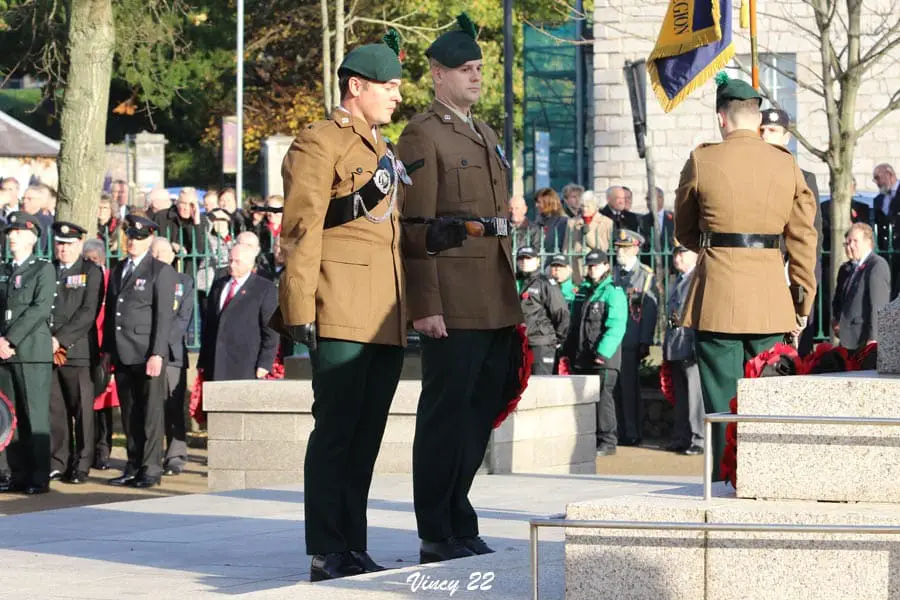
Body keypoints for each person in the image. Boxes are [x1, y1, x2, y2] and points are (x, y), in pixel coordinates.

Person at [275, 31, 464, 582]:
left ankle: (351, 545)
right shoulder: (320, 141)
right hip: (336, 304)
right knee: (336, 430)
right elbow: (302, 228)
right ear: (355, 87)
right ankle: (326, 547)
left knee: (366, 434)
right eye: (389, 85)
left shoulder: (383, 150)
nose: (398, 95)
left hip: (382, 310)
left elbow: (391, 234)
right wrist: (298, 307)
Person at [397, 12, 524, 564]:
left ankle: (459, 514)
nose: (475, 77)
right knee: (446, 411)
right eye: (464, 69)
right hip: (452, 299)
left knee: (481, 407)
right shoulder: (422, 134)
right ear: (436, 74)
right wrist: (425, 304)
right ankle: (435, 528)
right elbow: (415, 228)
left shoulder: (485, 132)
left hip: (493, 293)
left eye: (478, 67)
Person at [674, 72, 817, 481]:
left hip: (717, 295)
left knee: (721, 404)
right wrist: (801, 300)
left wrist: (713, 242)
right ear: (757, 120)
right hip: (771, 299)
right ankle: (767, 479)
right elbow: (804, 240)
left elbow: (683, 230)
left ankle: (724, 483)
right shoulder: (786, 164)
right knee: (767, 400)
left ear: (722, 118)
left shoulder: (702, 159)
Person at [103, 215, 177, 489]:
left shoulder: (159, 270)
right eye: (129, 236)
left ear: (149, 239)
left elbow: (163, 317)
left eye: (139, 237)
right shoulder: (120, 268)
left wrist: (157, 353)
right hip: (123, 353)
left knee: (150, 414)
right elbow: (113, 312)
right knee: (130, 413)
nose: (132, 241)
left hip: (147, 353)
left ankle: (151, 467)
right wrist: (108, 351)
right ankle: (132, 465)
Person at [0, 212, 55, 494]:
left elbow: (39, 309)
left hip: (30, 351)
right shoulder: (6, 270)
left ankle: (38, 476)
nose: (11, 236)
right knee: (11, 417)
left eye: (17, 232)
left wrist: (9, 338)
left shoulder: (42, 269)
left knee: (34, 416)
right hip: (5, 355)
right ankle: (17, 474)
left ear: (32, 237)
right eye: (10, 232)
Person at [760, 108, 822, 355]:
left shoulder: (804, 179)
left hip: (786, 282)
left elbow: (808, 243)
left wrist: (802, 305)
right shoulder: (749, 177)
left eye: (773, 131)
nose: (765, 135)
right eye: (761, 130)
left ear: (787, 137)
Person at [48, 222, 104, 484]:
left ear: (80, 245)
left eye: (69, 244)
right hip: (48, 350)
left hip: (77, 350)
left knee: (81, 410)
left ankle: (82, 463)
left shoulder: (90, 272)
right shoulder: (48, 269)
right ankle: (58, 461)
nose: (63, 249)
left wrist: (60, 340)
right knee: (55, 410)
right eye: (60, 243)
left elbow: (87, 313)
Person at [562, 249, 627, 456]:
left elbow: (616, 325)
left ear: (606, 266)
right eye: (589, 265)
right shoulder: (583, 290)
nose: (592, 269)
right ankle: (589, 439)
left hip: (603, 359)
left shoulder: (613, 291)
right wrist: (569, 352)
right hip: (583, 356)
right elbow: (574, 324)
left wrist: (603, 352)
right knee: (584, 400)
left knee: (603, 398)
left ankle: (607, 441)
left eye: (596, 265)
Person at [198, 244, 278, 381]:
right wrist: (203, 359)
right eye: (230, 260)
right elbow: (209, 325)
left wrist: (265, 363)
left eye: (237, 261)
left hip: (245, 364)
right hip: (216, 363)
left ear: (249, 263)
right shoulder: (219, 284)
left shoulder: (264, 288)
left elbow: (270, 330)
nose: (232, 265)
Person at [149, 238, 194, 476]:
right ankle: (151, 456)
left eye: (163, 253)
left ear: (172, 256)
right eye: (154, 253)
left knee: (173, 406)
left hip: (172, 354)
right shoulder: (144, 280)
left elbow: (182, 319)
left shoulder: (184, 282)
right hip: (146, 354)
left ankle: (175, 455)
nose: (158, 257)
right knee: (150, 407)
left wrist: (160, 347)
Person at [612, 229, 657, 446]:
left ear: (635, 249)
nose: (620, 252)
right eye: (619, 248)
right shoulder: (614, 273)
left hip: (631, 340)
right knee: (614, 389)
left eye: (625, 248)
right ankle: (617, 431)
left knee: (629, 389)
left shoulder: (645, 275)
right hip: (612, 340)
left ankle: (632, 432)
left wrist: (645, 341)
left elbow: (649, 311)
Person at [663, 246, 704, 456]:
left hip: (689, 344)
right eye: (675, 254)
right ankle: (682, 436)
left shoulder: (697, 279)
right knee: (680, 395)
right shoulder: (678, 279)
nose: (677, 258)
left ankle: (699, 438)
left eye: (682, 253)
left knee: (695, 396)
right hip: (676, 343)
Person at [833, 223, 890, 351]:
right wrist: (836, 320)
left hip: (864, 340)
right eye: (847, 243)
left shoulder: (877, 265)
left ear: (868, 242)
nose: (850, 246)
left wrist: (874, 337)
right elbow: (838, 299)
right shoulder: (846, 269)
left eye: (854, 241)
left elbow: (879, 306)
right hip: (847, 340)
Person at [515, 246, 569, 375]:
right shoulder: (514, 281)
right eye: (521, 258)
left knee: (542, 384)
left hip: (540, 343)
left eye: (528, 258)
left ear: (538, 261)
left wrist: (556, 338)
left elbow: (561, 312)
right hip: (517, 342)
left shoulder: (546, 283)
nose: (524, 262)